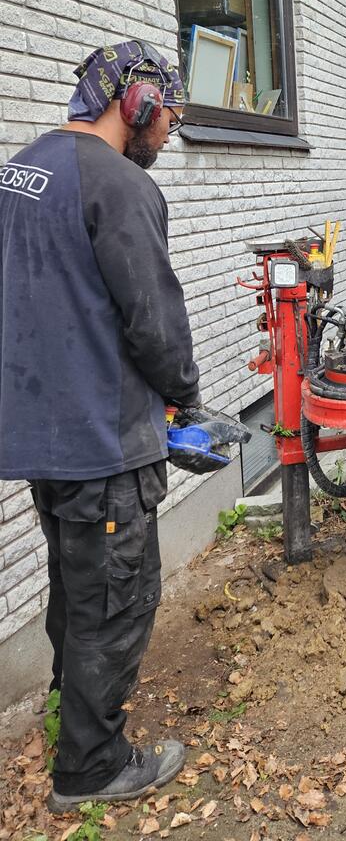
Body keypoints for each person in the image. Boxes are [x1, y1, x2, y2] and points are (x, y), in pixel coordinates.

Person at [0, 40, 201, 812]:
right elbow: (154, 323)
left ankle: (68, 705)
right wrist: (185, 394)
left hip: (43, 437)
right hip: (101, 445)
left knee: (75, 588)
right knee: (118, 601)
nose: (169, 131)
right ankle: (91, 769)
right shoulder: (117, 187)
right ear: (135, 102)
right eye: (166, 116)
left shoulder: (19, 168)